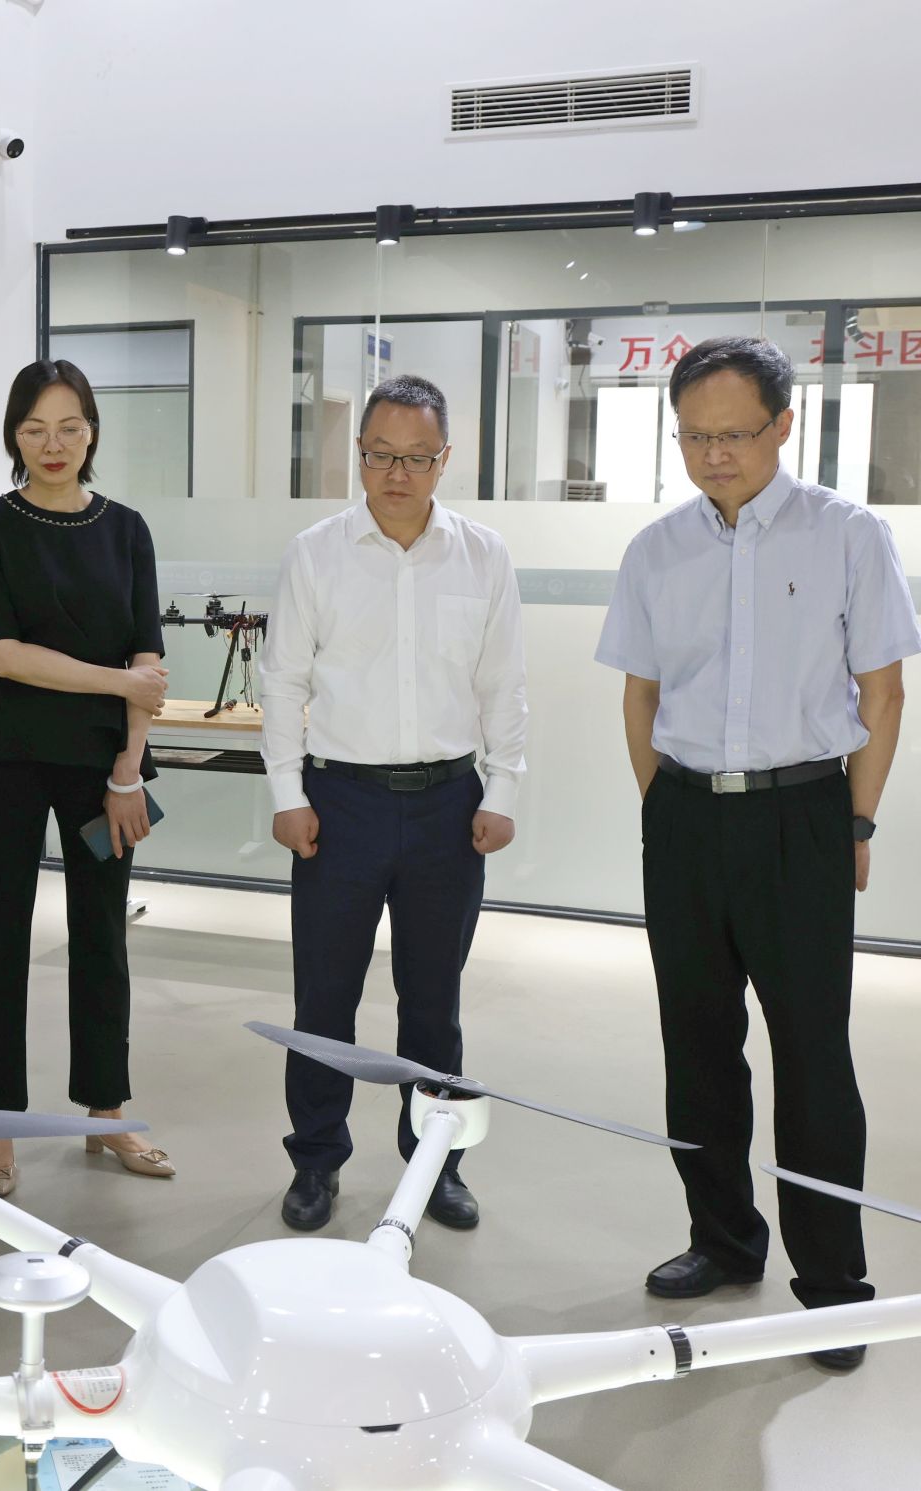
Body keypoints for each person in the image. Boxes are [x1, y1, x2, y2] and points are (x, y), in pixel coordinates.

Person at [595, 336, 921, 1372]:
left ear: (783, 425)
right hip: (687, 818)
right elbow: (641, 692)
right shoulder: (656, 549)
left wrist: (854, 824)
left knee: (813, 1057)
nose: (714, 455)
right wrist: (664, 810)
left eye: (733, 434)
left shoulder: (847, 535)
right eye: (693, 437)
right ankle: (723, 1239)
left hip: (801, 817)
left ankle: (832, 1286)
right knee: (696, 1046)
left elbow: (882, 692)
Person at [258, 373, 527, 1235]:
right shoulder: (317, 552)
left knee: (433, 999)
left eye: (417, 457)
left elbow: (503, 684)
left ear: (444, 459)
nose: (398, 473)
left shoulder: (482, 555)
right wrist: (287, 793)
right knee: (324, 996)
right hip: (341, 803)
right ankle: (315, 1159)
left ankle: (434, 1161)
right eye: (381, 455)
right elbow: (282, 679)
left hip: (449, 804)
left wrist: (503, 788)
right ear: (359, 454)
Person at [0, 358, 174, 1196]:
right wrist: (118, 684)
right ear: (14, 436)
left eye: (70, 427)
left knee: (103, 934)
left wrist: (128, 770)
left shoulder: (127, 528)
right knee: (0, 935)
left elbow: (149, 659)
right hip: (6, 756)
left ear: (92, 432)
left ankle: (106, 1112)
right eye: (35, 429)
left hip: (102, 763)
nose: (54, 444)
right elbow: (5, 654)